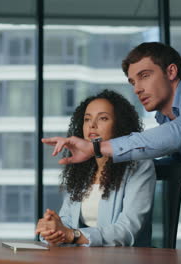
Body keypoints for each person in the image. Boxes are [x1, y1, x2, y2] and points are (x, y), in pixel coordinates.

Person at [41, 42, 181, 253]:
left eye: (145, 76)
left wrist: (97, 148)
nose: (138, 88)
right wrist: (136, 171)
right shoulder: (167, 120)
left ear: (171, 72)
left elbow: (177, 137)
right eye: (133, 82)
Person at [35, 90, 156, 247]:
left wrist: (73, 235)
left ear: (120, 125)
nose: (92, 125)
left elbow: (127, 231)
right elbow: (67, 222)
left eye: (103, 118)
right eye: (87, 119)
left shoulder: (140, 164)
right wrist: (53, 230)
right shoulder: (84, 167)